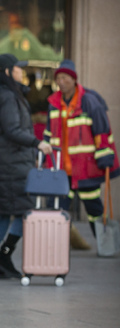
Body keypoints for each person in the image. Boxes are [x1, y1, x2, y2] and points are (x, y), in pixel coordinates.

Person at [0, 54, 52, 279]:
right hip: (12, 163)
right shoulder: (9, 97)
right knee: (25, 211)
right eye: (18, 68)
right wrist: (37, 142)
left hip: (8, 162)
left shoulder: (4, 94)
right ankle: (2, 255)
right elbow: (12, 130)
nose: (22, 71)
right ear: (8, 72)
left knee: (0, 211)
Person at [44, 59, 119, 236]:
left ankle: (104, 241)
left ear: (74, 79)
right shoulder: (54, 103)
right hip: (61, 170)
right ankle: (55, 246)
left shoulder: (90, 102)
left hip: (86, 168)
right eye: (58, 78)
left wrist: (105, 155)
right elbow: (48, 135)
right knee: (57, 208)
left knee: (94, 209)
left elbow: (102, 131)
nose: (61, 82)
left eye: (65, 78)